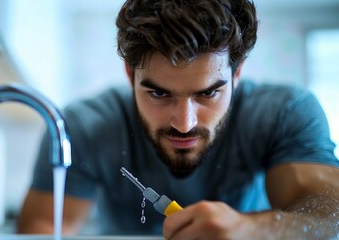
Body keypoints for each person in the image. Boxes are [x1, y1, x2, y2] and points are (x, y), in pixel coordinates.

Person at [17, 0, 339, 238]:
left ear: (237, 74)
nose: (184, 124)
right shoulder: (81, 127)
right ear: (130, 75)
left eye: (208, 93)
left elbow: (329, 213)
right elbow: (41, 233)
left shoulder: (285, 112)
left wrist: (253, 231)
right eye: (159, 94)